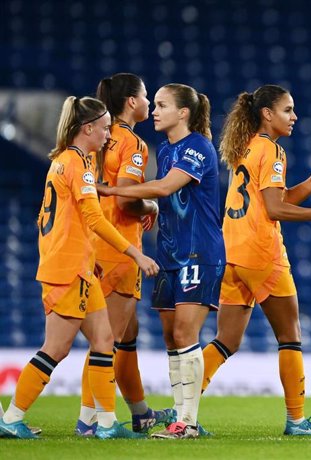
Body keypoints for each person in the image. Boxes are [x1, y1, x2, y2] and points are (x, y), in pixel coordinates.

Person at [200, 84, 311, 436]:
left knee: (225, 340)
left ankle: (182, 410)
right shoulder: (272, 151)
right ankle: (297, 421)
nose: (294, 116)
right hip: (262, 253)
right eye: (288, 110)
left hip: (232, 253)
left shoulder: (247, 148)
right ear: (267, 114)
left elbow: (279, 196)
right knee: (290, 337)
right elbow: (274, 209)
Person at [0, 96, 159, 440]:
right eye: (103, 128)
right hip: (68, 270)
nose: (107, 135)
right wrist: (136, 254)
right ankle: (11, 418)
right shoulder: (78, 165)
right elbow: (95, 219)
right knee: (55, 348)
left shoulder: (62, 162)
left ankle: (104, 424)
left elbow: (50, 218)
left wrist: (90, 260)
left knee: (104, 342)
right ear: (87, 129)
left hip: (77, 266)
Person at [97, 83, 225, 439]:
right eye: (153, 104)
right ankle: (181, 417)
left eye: (162, 105)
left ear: (183, 113)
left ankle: (189, 422)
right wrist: (149, 206)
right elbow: (161, 196)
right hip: (170, 253)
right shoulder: (167, 150)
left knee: (185, 332)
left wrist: (111, 189)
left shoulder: (197, 147)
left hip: (200, 251)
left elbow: (165, 187)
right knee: (171, 337)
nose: (154, 110)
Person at [73, 73, 175, 436]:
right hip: (120, 248)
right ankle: (90, 419)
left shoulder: (97, 137)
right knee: (108, 338)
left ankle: (140, 411)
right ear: (131, 102)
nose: (149, 103)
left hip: (93, 244)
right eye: (147, 96)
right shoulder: (132, 143)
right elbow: (129, 198)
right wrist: (153, 206)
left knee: (126, 333)